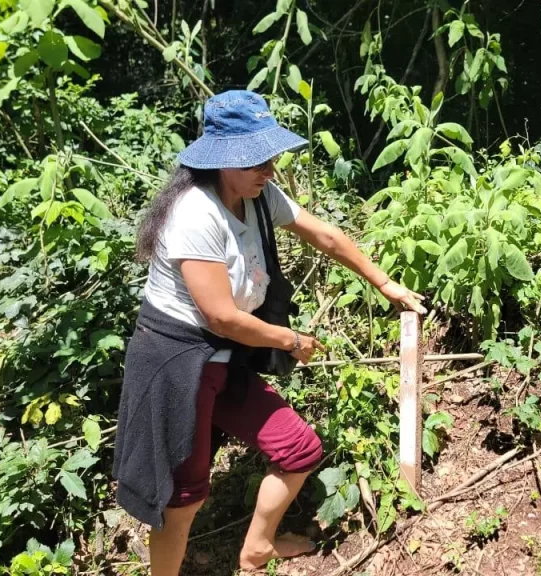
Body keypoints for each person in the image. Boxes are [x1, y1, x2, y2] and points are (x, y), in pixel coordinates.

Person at [111, 90, 426, 575]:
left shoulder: (257, 197)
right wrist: (291, 341)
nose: (269, 170)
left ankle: (257, 548)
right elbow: (220, 317)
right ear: (220, 160)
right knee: (182, 498)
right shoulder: (195, 213)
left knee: (299, 449)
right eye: (256, 160)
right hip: (179, 363)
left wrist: (383, 282)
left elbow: (325, 235)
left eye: (270, 158)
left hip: (227, 358)